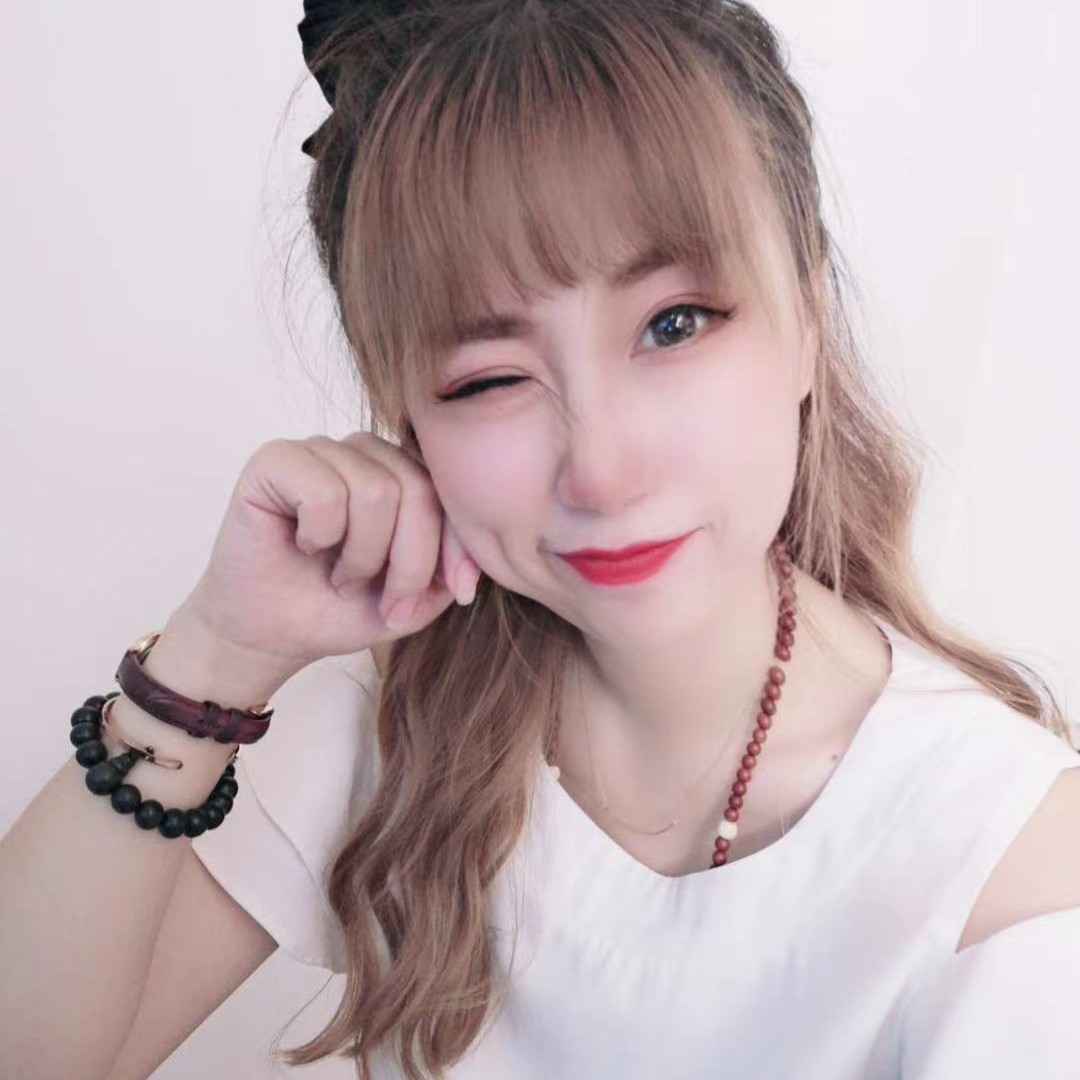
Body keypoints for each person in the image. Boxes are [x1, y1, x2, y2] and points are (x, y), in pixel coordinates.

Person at [2, 1, 1078, 1078]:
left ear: (808, 317)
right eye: (489, 379)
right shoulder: (398, 726)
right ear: (405, 419)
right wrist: (217, 654)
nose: (600, 468)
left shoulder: (1007, 865)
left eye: (673, 325)